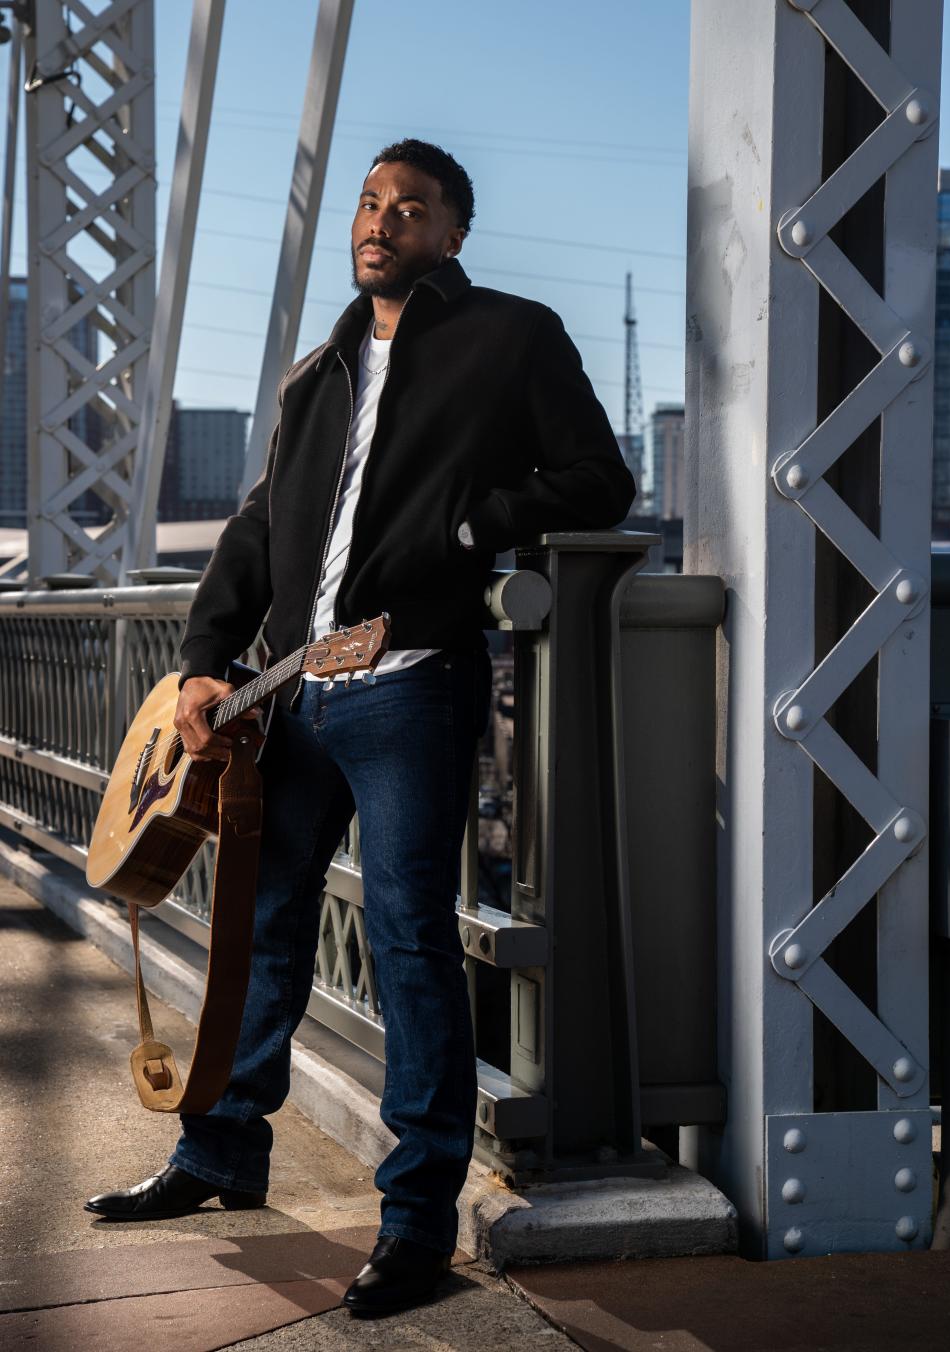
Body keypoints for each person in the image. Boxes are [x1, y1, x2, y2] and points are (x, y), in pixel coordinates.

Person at [84, 138, 636, 1316]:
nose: (383, 220)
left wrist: (471, 525)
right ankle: (221, 1151)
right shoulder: (317, 364)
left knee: (407, 943)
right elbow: (253, 531)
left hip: (411, 684)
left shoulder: (512, 335)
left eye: (413, 206)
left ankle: (416, 1221)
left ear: (452, 234)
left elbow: (599, 479)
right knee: (266, 926)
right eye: (372, 202)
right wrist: (199, 663)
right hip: (288, 690)